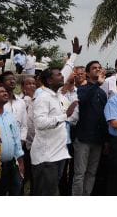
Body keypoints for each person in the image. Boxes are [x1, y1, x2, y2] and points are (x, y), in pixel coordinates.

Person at [30, 67, 72, 195]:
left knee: (52, 191)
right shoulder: (43, 98)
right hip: (46, 157)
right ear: (49, 80)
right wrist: (64, 116)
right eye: (58, 75)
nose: (62, 76)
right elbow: (40, 123)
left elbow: (65, 72)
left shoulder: (56, 95)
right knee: (45, 193)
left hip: (58, 154)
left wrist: (73, 56)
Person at [71, 59, 108, 195]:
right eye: (94, 68)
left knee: (91, 173)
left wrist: (105, 140)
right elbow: (83, 100)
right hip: (83, 138)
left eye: (99, 67)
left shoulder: (102, 93)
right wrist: (97, 83)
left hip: (97, 140)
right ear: (87, 73)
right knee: (79, 173)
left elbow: (104, 117)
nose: (98, 69)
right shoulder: (81, 89)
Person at [0, 83, 25, 195]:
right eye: (0, 92)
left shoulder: (8, 114)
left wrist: (20, 161)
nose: (5, 93)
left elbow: (16, 139)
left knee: (15, 190)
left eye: (5, 91)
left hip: (12, 164)